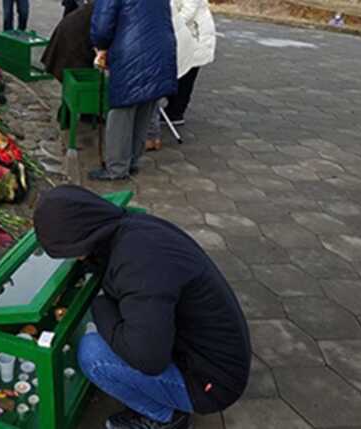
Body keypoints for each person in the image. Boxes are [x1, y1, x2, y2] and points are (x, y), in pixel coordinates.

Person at [34, 185, 251, 429]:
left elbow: (148, 360)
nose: (73, 258)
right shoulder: (132, 227)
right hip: (209, 352)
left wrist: (99, 304)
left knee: (92, 353)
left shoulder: (140, 264)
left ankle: (165, 417)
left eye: (70, 251)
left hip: (212, 383)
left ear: (81, 238)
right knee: (114, 330)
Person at [89, 0, 177, 180]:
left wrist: (100, 46)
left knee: (121, 112)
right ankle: (132, 161)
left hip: (131, 51)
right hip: (161, 47)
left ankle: (117, 169)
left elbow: (102, 26)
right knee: (145, 106)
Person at [163, 0, 216, 125]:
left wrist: (167, 25)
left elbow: (188, 11)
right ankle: (172, 109)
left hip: (194, 35)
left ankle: (176, 113)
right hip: (185, 35)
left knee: (186, 76)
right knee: (179, 72)